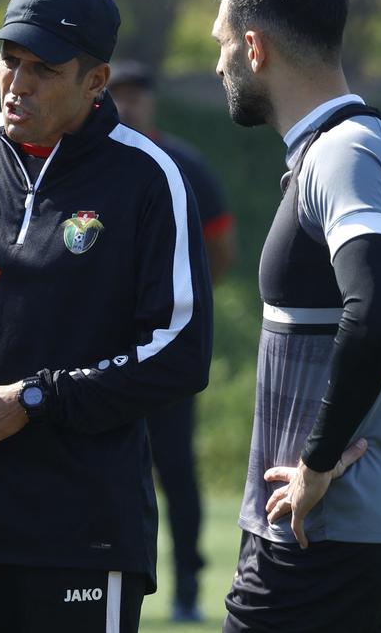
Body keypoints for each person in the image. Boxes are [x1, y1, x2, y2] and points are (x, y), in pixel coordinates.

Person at [0, 0, 213, 632]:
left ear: (96, 82)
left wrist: (33, 399)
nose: (17, 82)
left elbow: (180, 354)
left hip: (84, 540)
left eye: (43, 68)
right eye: (9, 60)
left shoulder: (147, 178)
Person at [212, 0, 381, 631]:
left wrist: (316, 460)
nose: (219, 66)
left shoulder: (345, 151)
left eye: (222, 46)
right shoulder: (335, 148)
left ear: (254, 46)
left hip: (323, 536)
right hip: (321, 533)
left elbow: (375, 314)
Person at [109, 60, 237, 622]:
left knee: (176, 471)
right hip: (101, 349)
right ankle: (103, 579)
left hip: (165, 348)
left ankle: (186, 586)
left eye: (137, 96)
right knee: (105, 469)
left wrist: (187, 297)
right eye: (119, 95)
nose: (128, 105)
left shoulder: (183, 163)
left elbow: (222, 245)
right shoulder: (94, 162)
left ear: (152, 102)